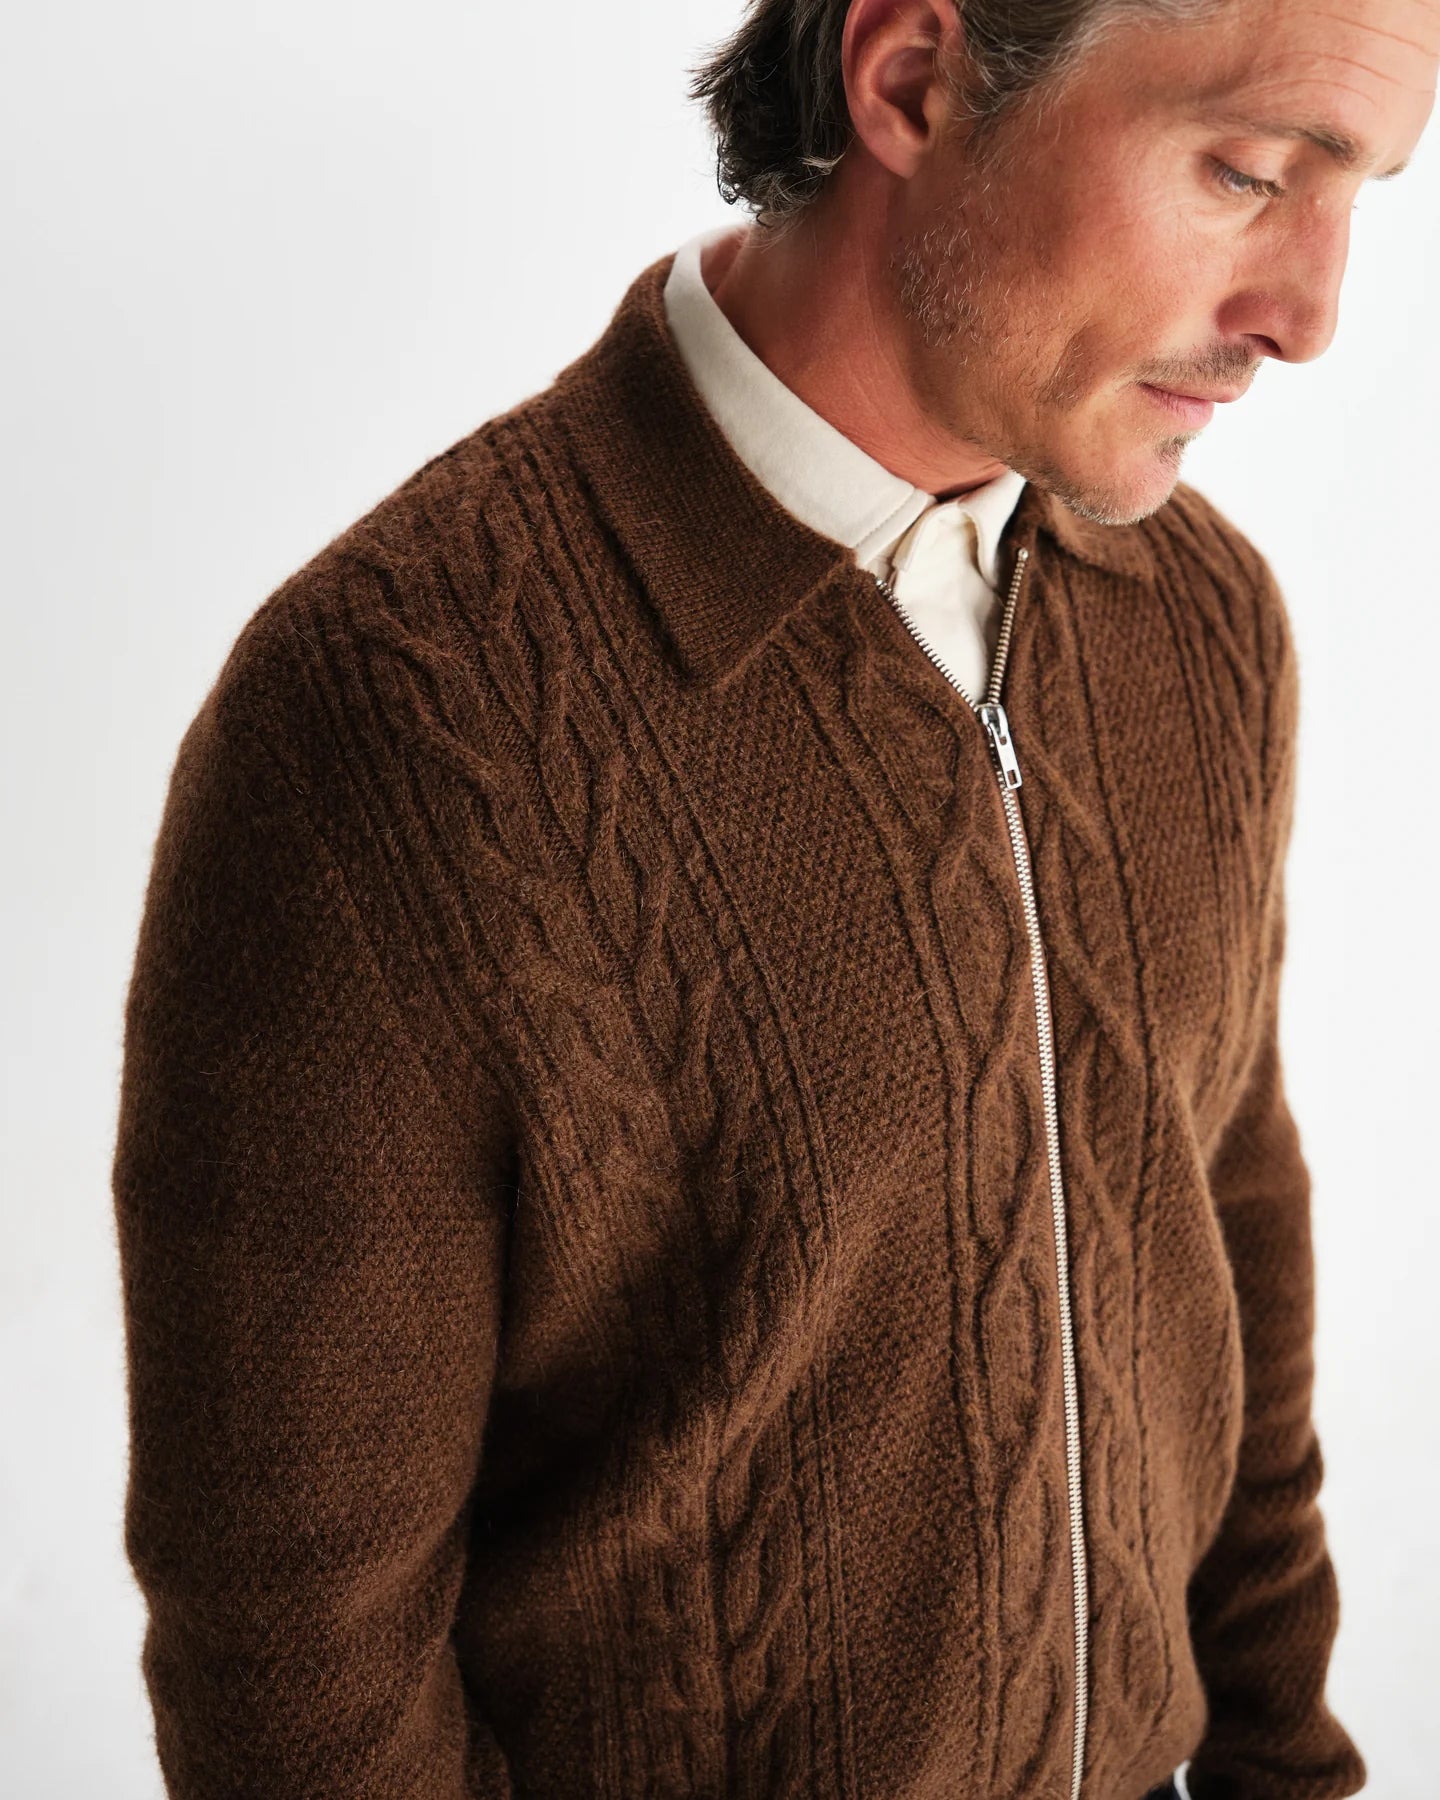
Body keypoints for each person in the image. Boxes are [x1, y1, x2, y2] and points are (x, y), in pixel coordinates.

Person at [110, 1, 1434, 1796]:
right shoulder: (400, 722)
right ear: (913, 80)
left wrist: (1290, 1765)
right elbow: (295, 1663)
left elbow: (1225, 1244)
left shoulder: (1203, 622)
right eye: (1250, 172)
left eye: (1364, 193)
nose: (1311, 312)